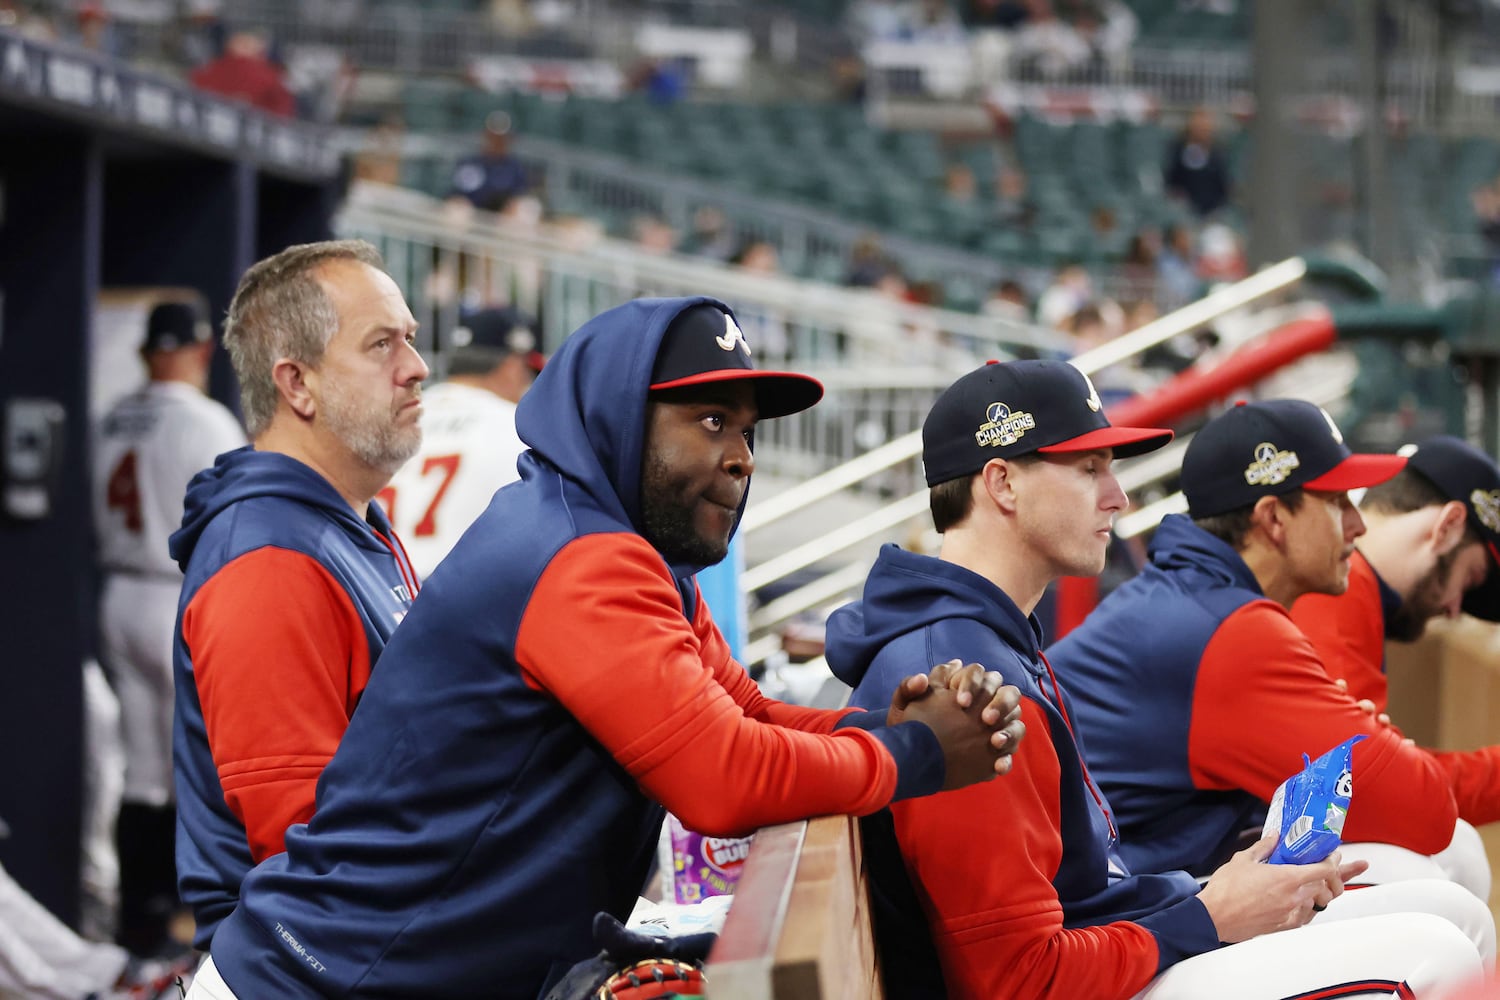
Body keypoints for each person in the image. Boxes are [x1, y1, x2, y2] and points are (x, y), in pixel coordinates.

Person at [184, 298, 1027, 1000]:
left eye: (747, 429)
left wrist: (875, 724)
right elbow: (725, 778)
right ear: (619, 417)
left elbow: (753, 714)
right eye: (708, 421)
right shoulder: (580, 554)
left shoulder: (616, 544)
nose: (739, 456)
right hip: (321, 982)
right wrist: (912, 755)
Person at [826, 363, 1491, 998]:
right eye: (1090, 469)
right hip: (1096, 974)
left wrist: (1205, 897)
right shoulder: (963, 678)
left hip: (1122, 935)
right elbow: (1018, 983)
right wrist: (1207, 916)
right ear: (1003, 484)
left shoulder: (989, 639)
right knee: (1439, 958)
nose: (1118, 496)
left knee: (1446, 912)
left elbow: (1085, 895)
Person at [1048, 401, 1500, 890]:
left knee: (1429, 870)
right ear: (1274, 520)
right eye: (1336, 502)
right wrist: (1377, 749)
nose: (1358, 523)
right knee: (1437, 894)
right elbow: (1424, 810)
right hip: (1102, 922)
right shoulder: (1228, 627)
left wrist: (1368, 754)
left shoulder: (1196, 597)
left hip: (1116, 887)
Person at [169, 240, 427, 951]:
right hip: (310, 969)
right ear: (297, 384)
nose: (416, 367)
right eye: (381, 345)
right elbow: (305, 855)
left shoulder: (351, 523)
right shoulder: (269, 558)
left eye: (409, 338)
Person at [92, 294, 247, 956]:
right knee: (194, 763)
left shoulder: (111, 417)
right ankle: (185, 918)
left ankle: (140, 918)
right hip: (175, 591)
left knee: (143, 769)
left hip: (119, 591)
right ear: (199, 350)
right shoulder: (206, 419)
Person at [1290, 434, 1500, 898]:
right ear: (1447, 526)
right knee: (1448, 877)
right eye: (1470, 578)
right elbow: (1371, 788)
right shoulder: (1336, 591)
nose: (1453, 608)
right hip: (1185, 866)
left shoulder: (1354, 589)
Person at [379, 306, 542, 579]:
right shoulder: (517, 428)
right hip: (459, 595)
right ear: (513, 368)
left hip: (383, 592)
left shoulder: (394, 420)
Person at [448, 111, 530, 214]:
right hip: (471, 213)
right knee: (457, 208)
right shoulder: (469, 163)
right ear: (485, 135)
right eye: (493, 137)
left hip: (501, 217)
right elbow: (458, 194)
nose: (496, 141)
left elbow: (518, 198)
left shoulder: (515, 168)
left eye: (501, 138)